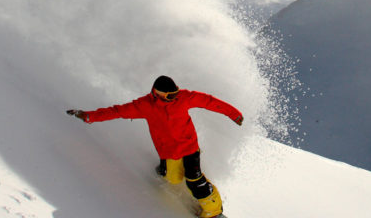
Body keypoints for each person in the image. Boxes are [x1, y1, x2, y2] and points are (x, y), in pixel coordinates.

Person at [67, 75, 243, 218]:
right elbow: (117, 111)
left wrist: (234, 115)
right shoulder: (144, 106)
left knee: (194, 179)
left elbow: (209, 101)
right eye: (170, 96)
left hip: (189, 147)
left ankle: (214, 212)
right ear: (157, 93)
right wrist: (88, 116)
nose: (175, 97)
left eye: (176, 93)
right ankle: (164, 170)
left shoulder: (184, 97)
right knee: (173, 179)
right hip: (168, 152)